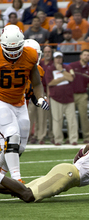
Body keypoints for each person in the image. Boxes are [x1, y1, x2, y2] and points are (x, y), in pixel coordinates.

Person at [0, 25, 49, 183]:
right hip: (2, 100)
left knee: (19, 147)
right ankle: (17, 179)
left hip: (20, 104)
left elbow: (36, 85)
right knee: (12, 135)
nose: (13, 53)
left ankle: (2, 172)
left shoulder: (30, 55)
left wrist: (40, 98)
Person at [45, 51, 78, 145]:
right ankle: (58, 139)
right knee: (57, 120)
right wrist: (64, 78)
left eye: (60, 58)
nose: (58, 59)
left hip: (69, 97)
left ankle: (73, 139)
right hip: (56, 97)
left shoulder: (67, 67)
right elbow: (50, 83)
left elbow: (71, 78)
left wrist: (62, 71)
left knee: (72, 120)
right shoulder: (50, 69)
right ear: (54, 59)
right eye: (57, 58)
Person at [69, 50, 89, 143]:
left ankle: (87, 137)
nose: (86, 57)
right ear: (80, 56)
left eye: (88, 55)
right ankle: (71, 137)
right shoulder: (72, 65)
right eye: (85, 55)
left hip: (83, 94)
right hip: (71, 94)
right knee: (70, 117)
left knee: (84, 116)